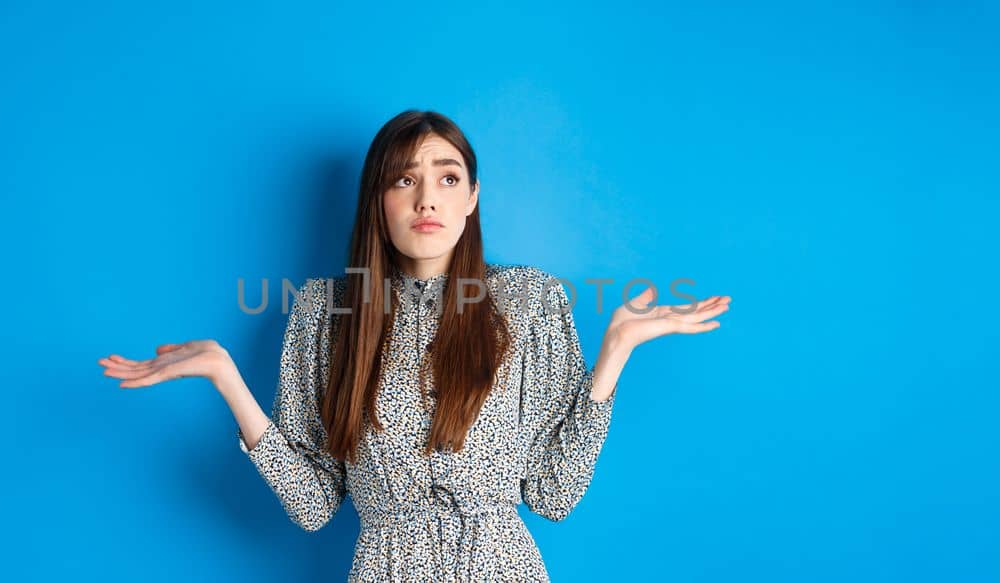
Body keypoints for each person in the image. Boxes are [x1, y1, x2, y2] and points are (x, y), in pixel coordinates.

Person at [98, 110, 731, 582]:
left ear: (472, 197)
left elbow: (553, 495)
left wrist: (613, 355)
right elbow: (315, 505)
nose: (427, 197)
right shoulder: (325, 313)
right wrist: (227, 380)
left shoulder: (531, 303)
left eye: (447, 177)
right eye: (404, 179)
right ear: (378, 201)